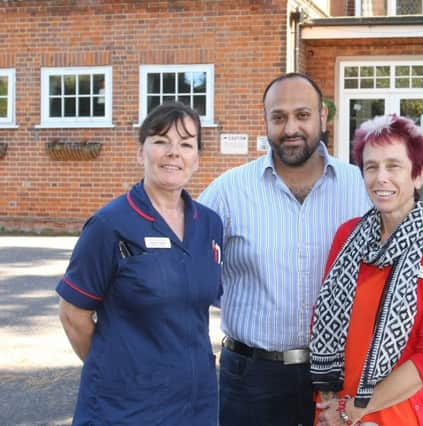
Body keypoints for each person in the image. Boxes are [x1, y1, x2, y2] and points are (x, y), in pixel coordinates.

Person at [197, 72, 371, 426]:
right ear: (266, 122)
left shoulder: (361, 188)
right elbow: (190, 272)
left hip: (340, 379)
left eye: (302, 115)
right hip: (251, 378)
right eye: (278, 117)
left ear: (323, 116)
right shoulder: (228, 192)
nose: (290, 127)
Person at [57, 102, 223, 425]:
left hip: (196, 406)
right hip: (123, 410)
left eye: (186, 144)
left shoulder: (210, 225)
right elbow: (72, 315)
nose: (174, 152)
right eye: (161, 141)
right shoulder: (109, 225)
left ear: (197, 158)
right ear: (140, 152)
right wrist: (120, 374)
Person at [310, 114, 423, 426]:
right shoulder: (347, 236)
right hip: (334, 411)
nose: (381, 177)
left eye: (394, 166)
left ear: (418, 175)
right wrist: (332, 407)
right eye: (371, 167)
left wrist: (353, 410)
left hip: (398, 414)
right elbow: (322, 320)